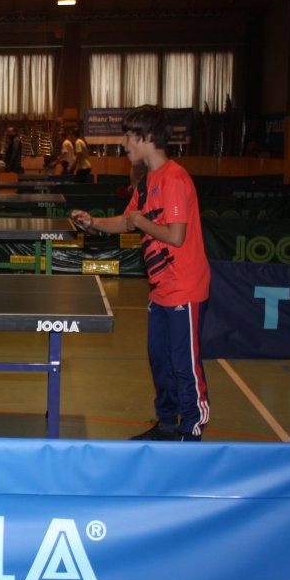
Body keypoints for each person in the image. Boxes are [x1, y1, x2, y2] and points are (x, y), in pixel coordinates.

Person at [69, 105, 210, 442]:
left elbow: (175, 235)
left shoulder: (175, 178)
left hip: (185, 287)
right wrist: (93, 222)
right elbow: (125, 220)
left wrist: (141, 222)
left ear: (146, 137)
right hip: (160, 286)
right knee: (159, 359)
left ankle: (191, 431)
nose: (124, 144)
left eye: (128, 137)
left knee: (184, 364)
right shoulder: (147, 181)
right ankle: (166, 424)